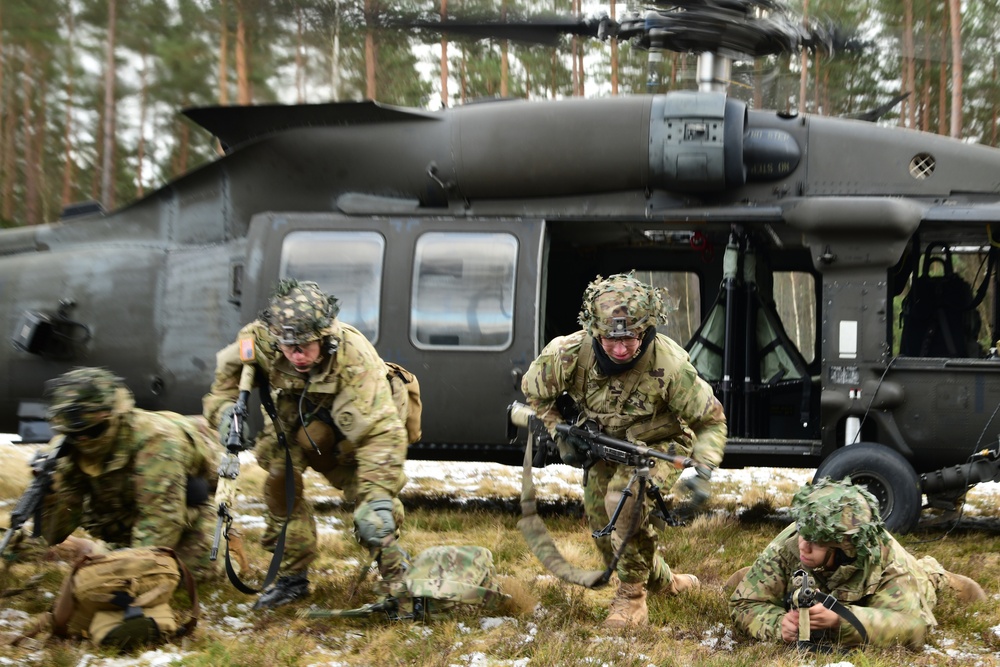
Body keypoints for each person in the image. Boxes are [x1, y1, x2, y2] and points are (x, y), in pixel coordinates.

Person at [520, 271, 728, 628]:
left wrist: (704, 470)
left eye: (630, 339)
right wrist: (561, 433)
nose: (619, 349)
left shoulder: (670, 365)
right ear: (594, 330)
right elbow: (535, 394)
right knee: (604, 530)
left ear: (646, 329)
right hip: (603, 443)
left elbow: (711, 422)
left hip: (660, 444)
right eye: (609, 339)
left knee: (623, 503)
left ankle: (632, 599)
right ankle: (666, 581)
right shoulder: (567, 354)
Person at [203, 279, 409, 609]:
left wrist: (377, 497)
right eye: (288, 347)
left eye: (305, 346)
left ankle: (395, 574)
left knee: (374, 512)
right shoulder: (261, 340)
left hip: (354, 436)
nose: (296, 355)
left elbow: (380, 435)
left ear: (325, 338)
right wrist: (227, 415)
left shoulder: (354, 360)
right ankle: (291, 578)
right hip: (293, 427)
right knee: (280, 487)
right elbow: (222, 390)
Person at [729, 477, 987, 650]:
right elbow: (743, 604)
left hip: (879, 585)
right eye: (803, 535)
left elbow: (913, 627)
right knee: (746, 582)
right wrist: (777, 625)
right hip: (823, 581)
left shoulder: (888, 561)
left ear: (844, 549)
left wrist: (842, 620)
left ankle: (936, 574)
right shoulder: (793, 542)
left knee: (921, 583)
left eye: (816, 543)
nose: (803, 546)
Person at [38, 367, 220, 582]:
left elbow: (161, 521)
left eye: (93, 432)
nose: (83, 441)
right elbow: (53, 534)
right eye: (74, 435)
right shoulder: (66, 450)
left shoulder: (157, 443)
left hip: (187, 518)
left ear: (116, 418)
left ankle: (224, 550)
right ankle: (102, 550)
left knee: (185, 575)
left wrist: (127, 578)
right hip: (125, 522)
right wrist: (51, 496)